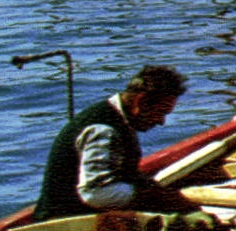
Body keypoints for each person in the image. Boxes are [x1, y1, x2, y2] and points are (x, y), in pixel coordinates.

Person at [33, 65, 198, 222]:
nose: (161, 121)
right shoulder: (102, 129)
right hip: (64, 220)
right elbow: (95, 193)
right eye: (160, 112)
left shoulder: (119, 118)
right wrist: (149, 196)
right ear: (141, 102)